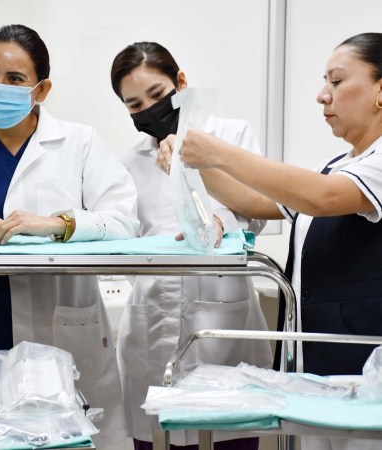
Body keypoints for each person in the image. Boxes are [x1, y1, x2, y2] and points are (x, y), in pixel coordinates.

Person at [160, 32, 382, 450]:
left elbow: (322, 197)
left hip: (365, 368)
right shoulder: (336, 164)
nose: (323, 95)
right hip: (317, 367)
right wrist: (191, 166)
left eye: (337, 81)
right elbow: (258, 201)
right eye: (324, 81)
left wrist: (219, 153)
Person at [0, 24, 139, 448]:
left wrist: (58, 224)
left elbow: (125, 220)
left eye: (14, 79)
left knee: (59, 435)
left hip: (55, 333)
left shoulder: (79, 143)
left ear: (41, 90)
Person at [111, 41, 273, 450]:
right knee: (156, 435)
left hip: (224, 315)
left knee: (230, 434)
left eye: (157, 94)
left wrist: (220, 221)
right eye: (134, 104)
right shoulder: (129, 163)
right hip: (151, 321)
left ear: (181, 82)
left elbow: (261, 208)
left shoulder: (231, 135)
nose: (149, 109)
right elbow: (127, 239)